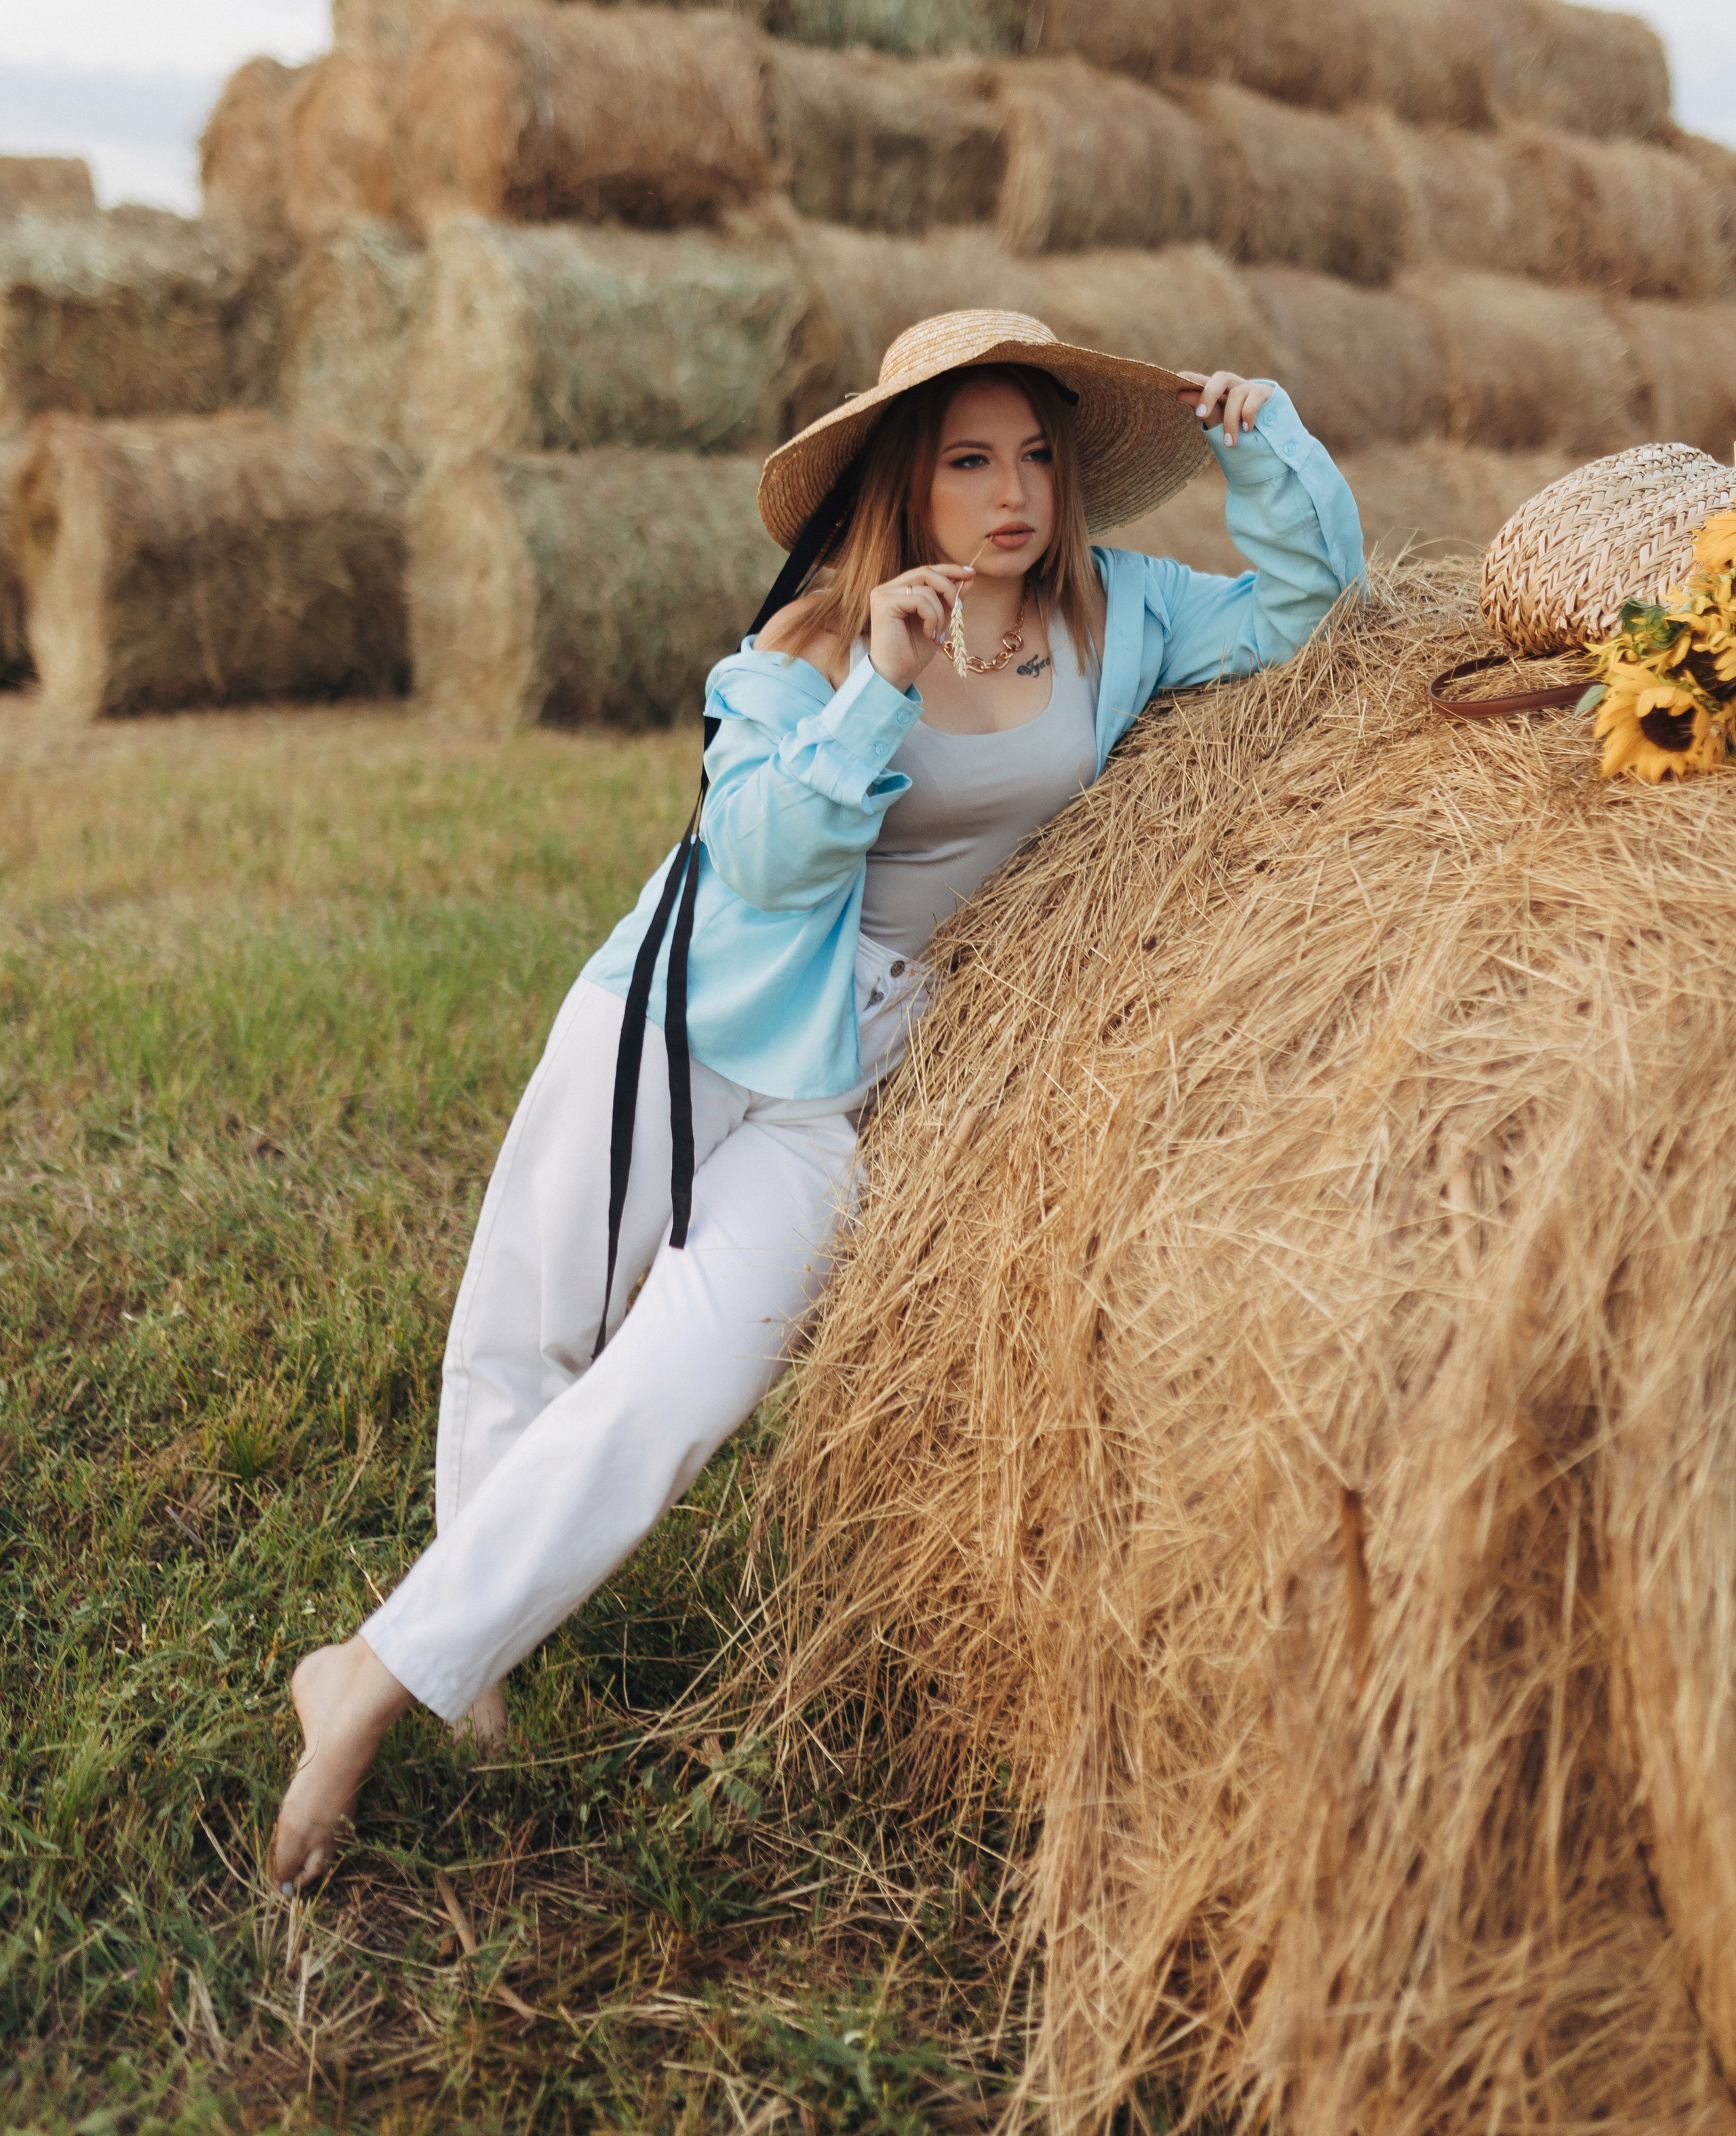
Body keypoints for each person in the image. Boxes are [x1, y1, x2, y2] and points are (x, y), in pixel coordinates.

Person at [269, 307, 1364, 1889]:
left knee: (696, 1372)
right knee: (538, 1324)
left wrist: (1261, 443)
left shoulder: (1116, 615)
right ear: (905, 485)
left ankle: (372, 1667)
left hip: (852, 1068)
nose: (1012, 493)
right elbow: (769, 858)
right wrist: (884, 691)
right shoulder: (804, 651)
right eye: (970, 461)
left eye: (1037, 458)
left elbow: (1303, 605)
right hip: (691, 1008)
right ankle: (450, 1659)